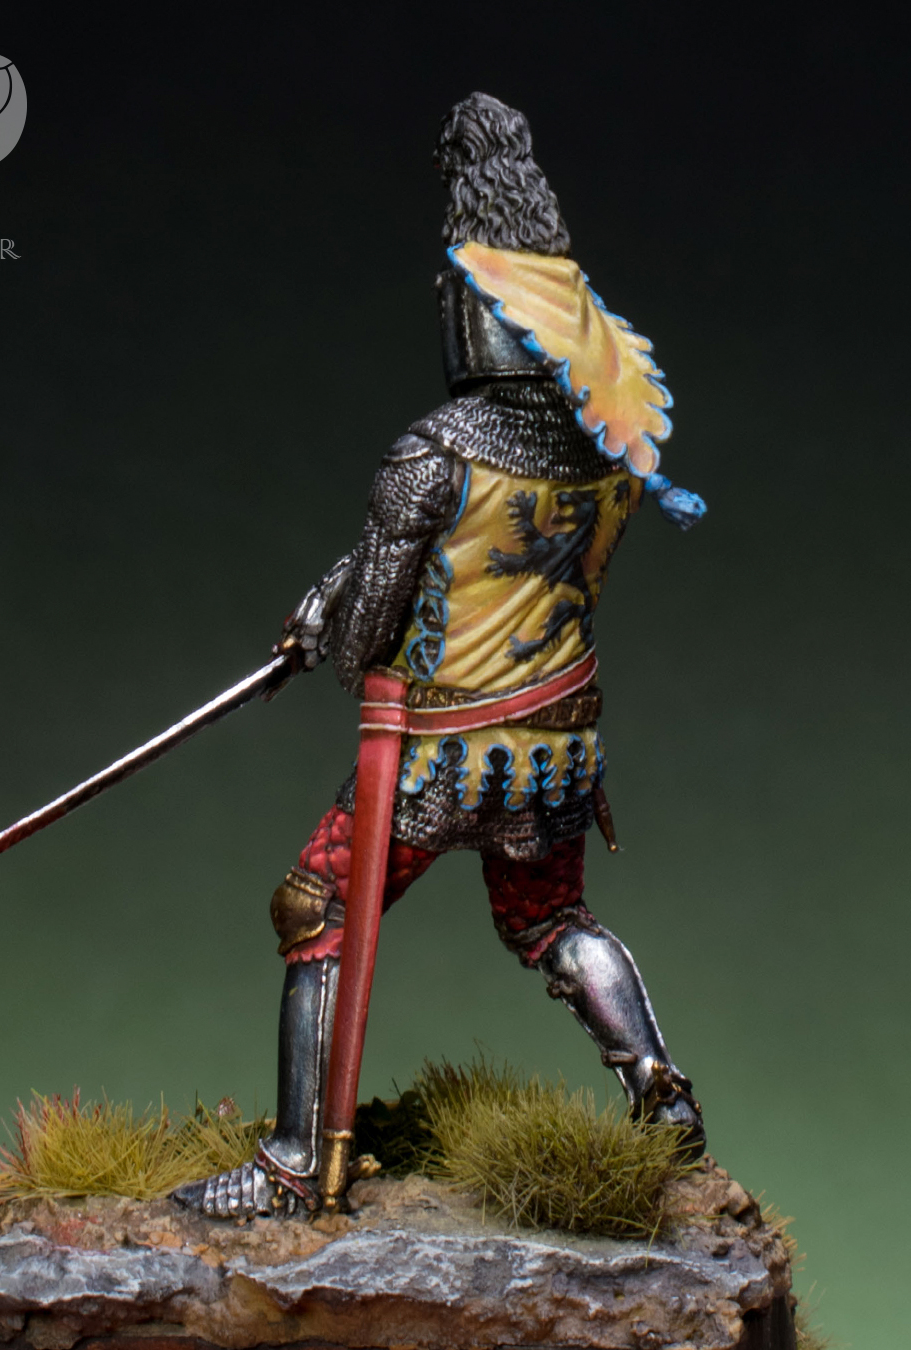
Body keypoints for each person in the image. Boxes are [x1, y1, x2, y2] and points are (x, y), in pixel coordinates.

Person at [173, 92, 706, 1220]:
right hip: (555, 751)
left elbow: (375, 632)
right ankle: (658, 1084)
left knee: (313, 907)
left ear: (475, 309)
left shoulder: (432, 452)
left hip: (436, 757)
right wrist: (332, 592)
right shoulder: (607, 456)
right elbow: (458, 561)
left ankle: (294, 1162)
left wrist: (332, 627)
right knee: (551, 923)